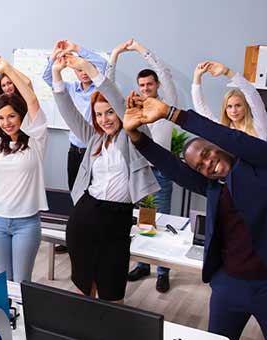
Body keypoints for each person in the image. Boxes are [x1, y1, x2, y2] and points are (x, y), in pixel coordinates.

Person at [122, 94, 267, 340]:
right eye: (200, 166)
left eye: (207, 153)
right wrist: (136, 137)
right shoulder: (214, 186)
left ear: (218, 147)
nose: (207, 164)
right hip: (229, 285)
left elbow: (234, 139)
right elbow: (172, 168)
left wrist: (172, 114)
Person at [51, 50, 159, 303]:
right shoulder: (94, 139)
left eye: (110, 112)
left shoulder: (134, 135)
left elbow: (118, 102)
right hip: (85, 217)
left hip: (117, 220)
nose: (105, 119)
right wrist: (57, 73)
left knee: (113, 296)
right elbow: (68, 111)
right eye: (99, 114)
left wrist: (88, 68)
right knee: (83, 290)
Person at [108, 39, 177, 292]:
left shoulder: (166, 104)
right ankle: (143, 265)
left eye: (150, 84)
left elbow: (166, 73)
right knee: (140, 221)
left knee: (161, 220)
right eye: (142, 85)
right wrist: (115, 53)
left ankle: (163, 270)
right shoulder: (133, 110)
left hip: (161, 172)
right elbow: (109, 88)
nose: (146, 88)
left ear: (157, 85)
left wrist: (140, 50)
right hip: (138, 170)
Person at [0, 55, 48, 283]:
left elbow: (32, 100)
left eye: (12, 116)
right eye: (1, 118)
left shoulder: (37, 139)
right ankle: (6, 318)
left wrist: (7, 69)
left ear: (22, 117)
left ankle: (24, 318)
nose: (6, 123)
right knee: (2, 280)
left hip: (26, 222)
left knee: (21, 281)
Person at [42, 40, 107, 254]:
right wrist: (54, 57)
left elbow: (102, 64)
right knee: (75, 195)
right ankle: (74, 238)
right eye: (79, 69)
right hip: (75, 151)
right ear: (75, 72)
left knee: (94, 196)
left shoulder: (100, 89)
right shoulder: (69, 89)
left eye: (86, 68)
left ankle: (94, 239)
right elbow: (48, 77)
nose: (84, 73)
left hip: (95, 152)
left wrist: (78, 50)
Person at [192, 61, 267, 140]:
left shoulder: (259, 124)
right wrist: (197, 76)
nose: (233, 111)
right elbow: (201, 108)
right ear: (225, 109)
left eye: (238, 105)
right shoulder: (223, 130)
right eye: (229, 106)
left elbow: (251, 93)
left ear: (245, 106)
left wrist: (227, 71)